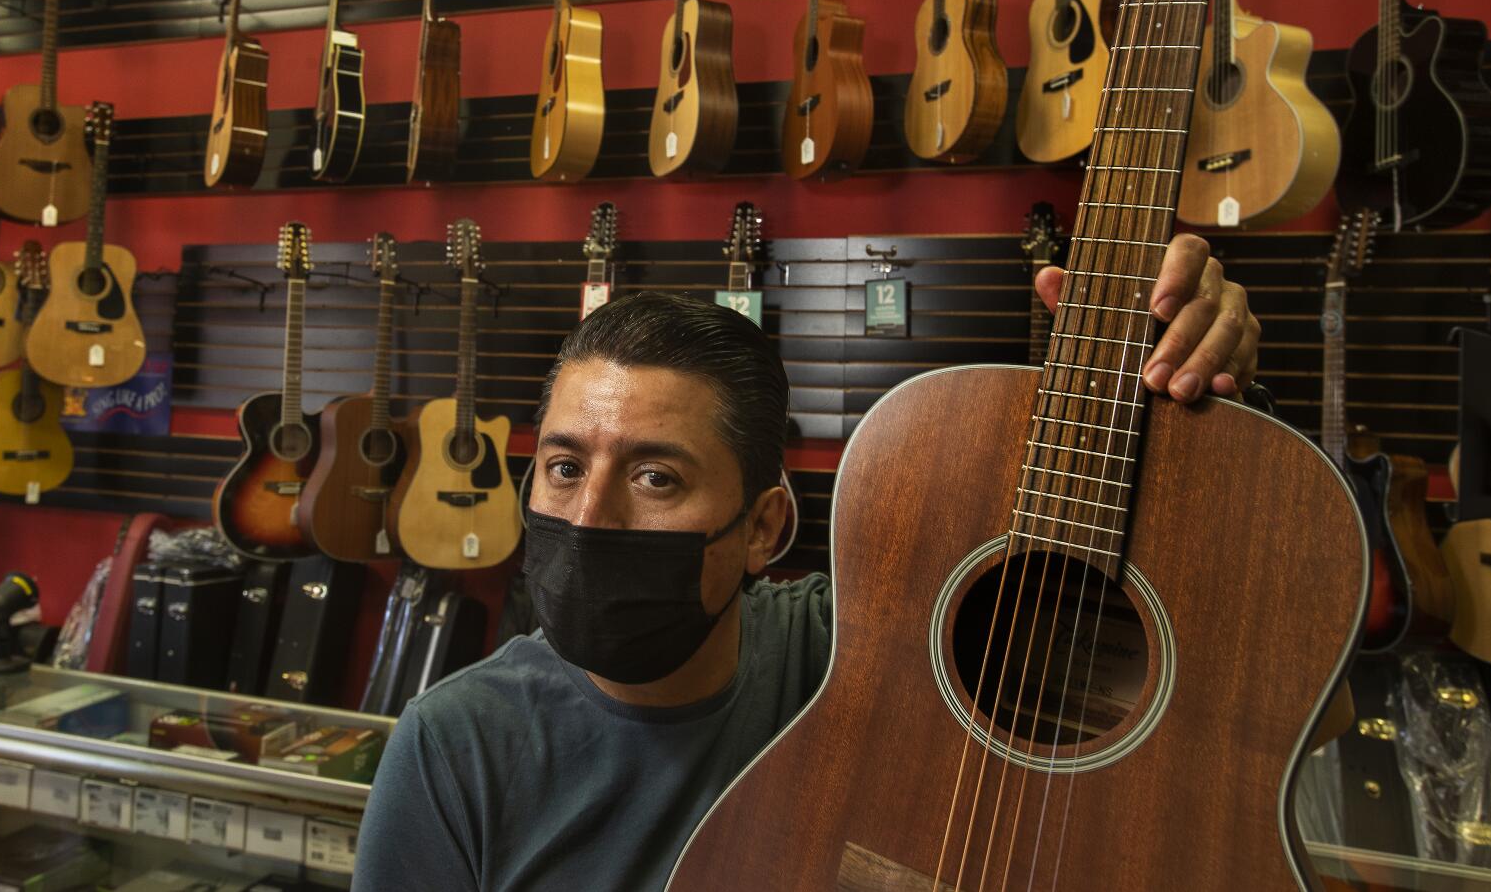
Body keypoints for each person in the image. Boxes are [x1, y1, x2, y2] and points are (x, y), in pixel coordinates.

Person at [351, 233, 1264, 892]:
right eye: (562, 466)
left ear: (765, 527)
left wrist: (1198, 411)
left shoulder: (881, 648)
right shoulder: (453, 746)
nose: (589, 516)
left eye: (657, 476)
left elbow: (1233, 704)